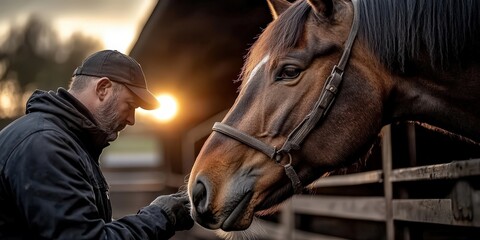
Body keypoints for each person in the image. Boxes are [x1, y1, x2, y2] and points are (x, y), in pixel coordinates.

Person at [0, 50, 194, 239]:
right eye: (131, 105)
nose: (132, 120)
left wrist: (158, 214)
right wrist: (160, 216)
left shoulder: (65, 141)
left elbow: (90, 226)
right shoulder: (45, 145)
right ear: (103, 89)